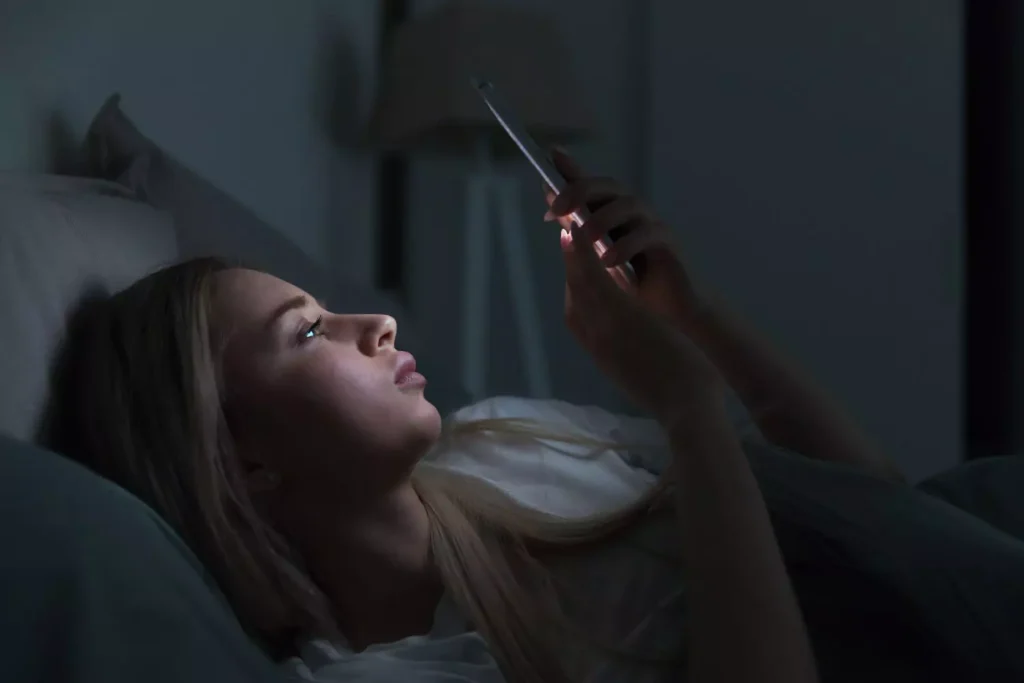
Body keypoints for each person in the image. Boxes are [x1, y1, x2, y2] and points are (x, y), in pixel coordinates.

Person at [49, 147, 940, 683]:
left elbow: (888, 515)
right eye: (309, 331)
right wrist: (688, 403)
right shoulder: (393, 673)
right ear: (243, 461)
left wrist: (692, 318)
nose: (377, 324)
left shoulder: (507, 436)